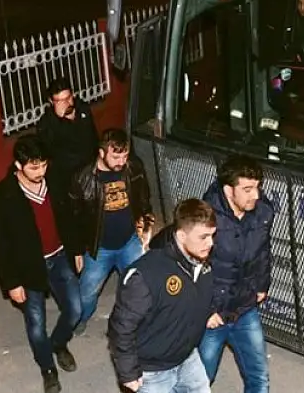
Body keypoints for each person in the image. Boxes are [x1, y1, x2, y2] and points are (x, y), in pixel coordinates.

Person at [0, 134, 82, 393]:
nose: (40, 172)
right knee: (36, 325)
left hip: (60, 257)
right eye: (34, 167)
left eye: (44, 165)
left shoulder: (55, 180)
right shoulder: (2, 197)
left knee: (75, 309)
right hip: (28, 269)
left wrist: (76, 250)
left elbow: (68, 217)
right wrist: (11, 283)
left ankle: (58, 344)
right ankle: (47, 368)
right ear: (19, 165)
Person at [108, 199, 216, 393]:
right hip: (152, 371)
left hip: (188, 359)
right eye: (203, 237)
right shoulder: (147, 274)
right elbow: (121, 326)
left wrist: (210, 312)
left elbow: (195, 297)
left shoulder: (202, 263)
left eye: (212, 235)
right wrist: (128, 373)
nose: (211, 243)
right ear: (181, 235)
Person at [198, 155, 275, 393]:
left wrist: (261, 285)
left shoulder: (262, 211)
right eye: (247, 189)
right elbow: (192, 266)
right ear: (228, 190)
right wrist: (206, 310)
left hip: (245, 306)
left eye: (258, 187)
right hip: (214, 313)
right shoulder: (206, 217)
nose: (256, 195)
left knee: (259, 378)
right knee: (199, 381)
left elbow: (263, 251)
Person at [69, 128, 154, 336]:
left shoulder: (133, 167)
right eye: (116, 157)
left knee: (139, 286)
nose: (122, 162)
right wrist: (77, 249)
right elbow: (73, 217)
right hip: (99, 247)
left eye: (125, 156)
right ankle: (81, 318)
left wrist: (146, 224)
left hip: (130, 241)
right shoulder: (82, 178)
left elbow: (144, 198)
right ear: (101, 152)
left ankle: (135, 323)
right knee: (87, 291)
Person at [37, 76, 99, 190]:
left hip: (91, 171)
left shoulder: (82, 109)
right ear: (51, 101)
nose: (66, 103)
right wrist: (59, 121)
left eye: (68, 98)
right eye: (60, 101)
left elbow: (93, 138)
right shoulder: (46, 123)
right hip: (67, 179)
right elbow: (49, 153)